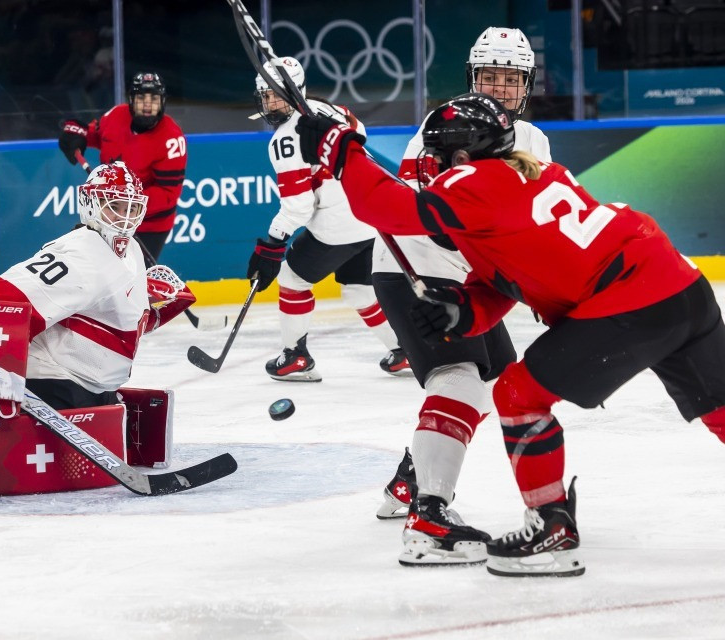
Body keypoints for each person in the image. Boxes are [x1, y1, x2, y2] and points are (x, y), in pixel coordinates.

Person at [294, 92, 725, 577]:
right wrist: (464, 313)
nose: (430, 165)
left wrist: (342, 149)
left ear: (462, 155)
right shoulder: (524, 176)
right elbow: (508, 281)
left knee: (519, 394)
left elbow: (385, 206)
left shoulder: (474, 180)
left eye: (437, 155)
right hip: (681, 286)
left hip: (629, 300)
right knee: (720, 409)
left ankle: (550, 530)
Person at [0, 162, 195, 501]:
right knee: (28, 453)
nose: (125, 217)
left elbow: (110, 327)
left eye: (132, 208)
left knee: (116, 424)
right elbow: (1, 298)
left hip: (91, 385)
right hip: (54, 380)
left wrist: (156, 311)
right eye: (115, 206)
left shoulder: (129, 249)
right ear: (90, 204)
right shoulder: (81, 253)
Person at [369, 28, 552, 568]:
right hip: (418, 270)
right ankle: (429, 517)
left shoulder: (534, 140)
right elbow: (423, 215)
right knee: (459, 378)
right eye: (489, 76)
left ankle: (413, 476)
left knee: (500, 379)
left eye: (510, 78)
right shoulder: (445, 125)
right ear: (473, 78)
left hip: (471, 281)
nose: (499, 87)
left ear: (526, 84)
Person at [246, 56, 400, 382]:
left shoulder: (285, 140)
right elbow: (360, 134)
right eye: (266, 96)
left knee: (292, 280)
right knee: (360, 291)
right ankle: (405, 351)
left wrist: (272, 243)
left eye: (276, 95)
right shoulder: (331, 109)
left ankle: (295, 357)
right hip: (371, 213)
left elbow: (298, 207)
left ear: (294, 92)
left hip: (338, 225)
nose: (270, 103)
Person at [58, 72, 186, 264]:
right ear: (131, 100)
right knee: (98, 270)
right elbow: (95, 135)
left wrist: (126, 204)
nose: (148, 105)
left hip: (148, 225)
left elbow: (168, 194)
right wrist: (77, 134)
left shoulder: (172, 139)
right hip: (107, 215)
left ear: (163, 102)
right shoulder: (116, 115)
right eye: (141, 98)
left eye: (154, 99)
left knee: (134, 275)